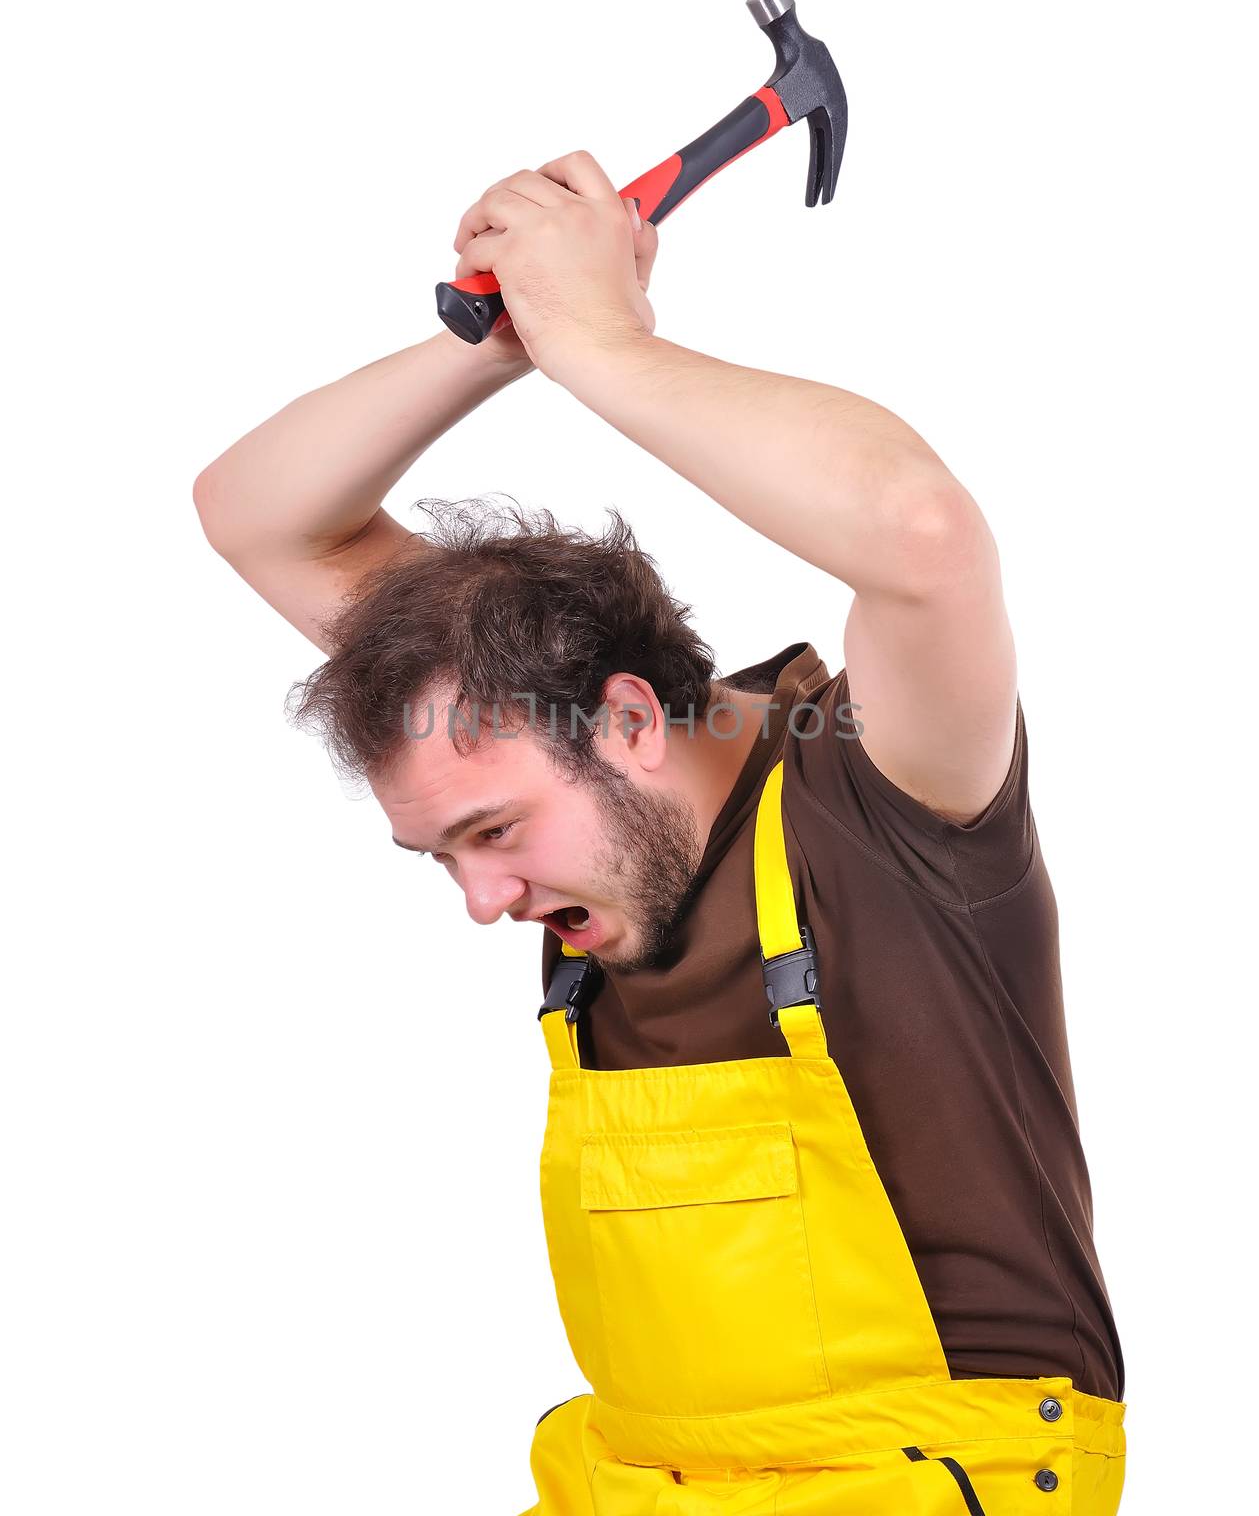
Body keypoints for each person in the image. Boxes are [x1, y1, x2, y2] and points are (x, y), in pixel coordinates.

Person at [193, 150, 1126, 1513]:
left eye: (496, 829)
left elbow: (921, 532)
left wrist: (603, 343)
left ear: (628, 721)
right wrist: (498, 338)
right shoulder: (508, 721)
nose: (481, 899)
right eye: (445, 852)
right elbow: (252, 515)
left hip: (928, 1481)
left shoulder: (884, 796)